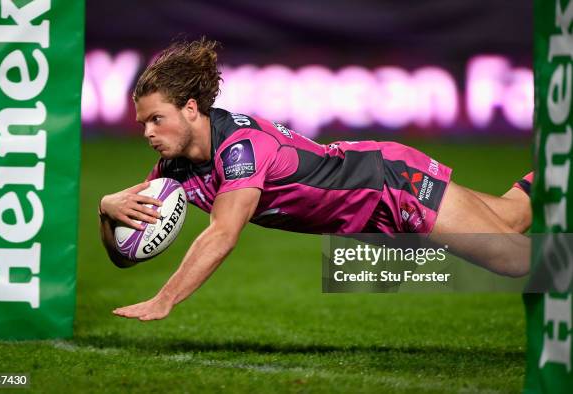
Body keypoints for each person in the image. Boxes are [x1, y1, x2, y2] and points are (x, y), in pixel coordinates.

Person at [98, 38, 533, 321]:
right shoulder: (173, 168)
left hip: (390, 185)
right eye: (143, 124)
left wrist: (165, 299)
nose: (148, 133)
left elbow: (223, 234)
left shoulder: (241, 149)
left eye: (157, 119)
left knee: (517, 260)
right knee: (513, 217)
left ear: (191, 109)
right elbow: (127, 254)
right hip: (367, 219)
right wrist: (107, 209)